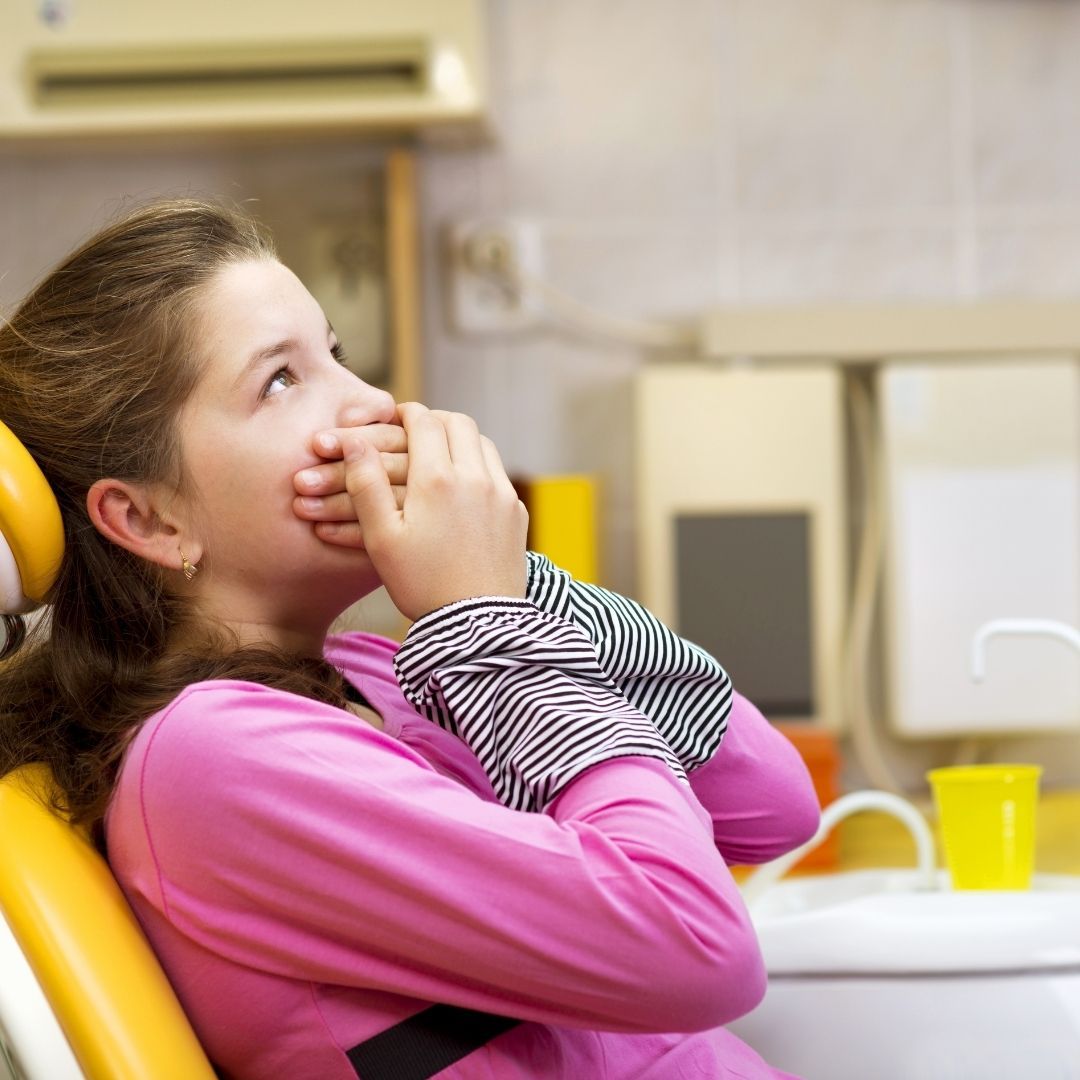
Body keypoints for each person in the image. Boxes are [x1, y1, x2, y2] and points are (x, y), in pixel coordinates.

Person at [0, 198, 819, 1079]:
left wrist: (515, 588)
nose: (376, 405)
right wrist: (485, 618)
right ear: (150, 521)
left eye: (337, 355)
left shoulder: (382, 674)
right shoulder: (215, 761)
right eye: (282, 379)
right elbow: (700, 948)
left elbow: (770, 803)